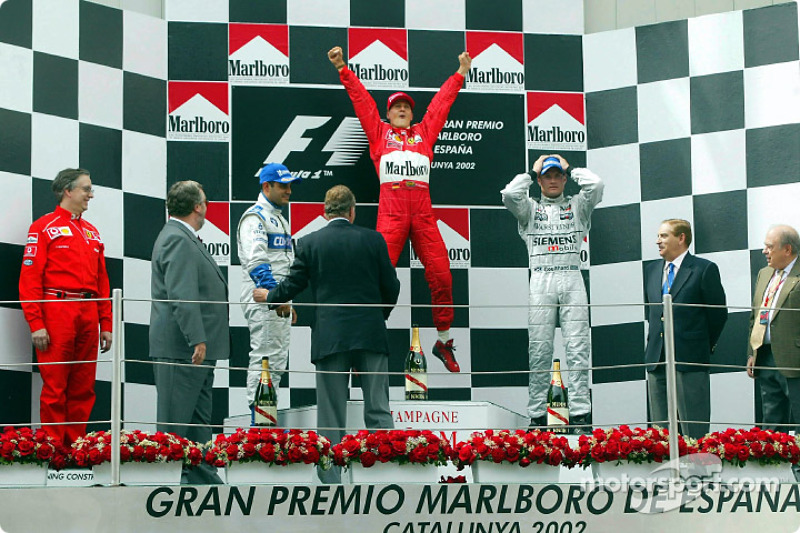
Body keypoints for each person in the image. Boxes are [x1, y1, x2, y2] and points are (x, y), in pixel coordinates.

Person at [327, 45, 471, 373]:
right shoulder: (379, 134)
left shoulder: (424, 133)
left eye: (407, 106)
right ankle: (365, 338)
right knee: (376, 278)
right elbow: (363, 102)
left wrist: (460, 74)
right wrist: (343, 70)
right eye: (397, 107)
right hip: (391, 214)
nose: (403, 109)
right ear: (389, 114)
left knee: (443, 277)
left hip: (422, 214)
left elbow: (440, 106)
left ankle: (443, 341)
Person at [261, 185, 400, 483]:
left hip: (330, 337)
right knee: (377, 409)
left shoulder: (310, 242)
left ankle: (331, 485)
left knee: (331, 416)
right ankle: (382, 477)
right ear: (352, 211)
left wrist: (271, 296)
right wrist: (378, 316)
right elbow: (392, 286)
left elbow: (294, 284)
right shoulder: (373, 239)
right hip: (370, 334)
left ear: (325, 212)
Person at [501, 155, 603, 432]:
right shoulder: (529, 209)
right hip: (541, 279)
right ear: (539, 181)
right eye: (548, 176)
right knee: (539, 349)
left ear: (565, 178)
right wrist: (530, 170)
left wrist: (570, 167)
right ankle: (537, 416)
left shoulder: (578, 205)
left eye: (558, 175)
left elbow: (596, 184)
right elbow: (510, 194)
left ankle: (581, 415)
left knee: (578, 348)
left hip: (572, 276)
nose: (554, 180)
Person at [19, 168, 112, 444]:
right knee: (56, 386)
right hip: (57, 309)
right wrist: (36, 323)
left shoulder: (92, 232)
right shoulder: (43, 227)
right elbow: (29, 279)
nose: (91, 195)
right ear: (67, 191)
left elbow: (102, 282)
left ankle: (77, 449)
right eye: (86, 189)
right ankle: (55, 452)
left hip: (88, 312)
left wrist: (105, 324)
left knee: (83, 387)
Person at [150, 180, 228, 484]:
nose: (206, 206)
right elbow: (182, 295)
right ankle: (170, 481)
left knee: (197, 421)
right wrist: (196, 337)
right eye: (205, 201)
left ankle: (202, 477)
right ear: (197, 206)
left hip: (196, 348)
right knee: (175, 421)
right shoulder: (176, 238)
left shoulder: (182, 236)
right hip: (183, 347)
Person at [644, 219, 727, 439]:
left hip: (690, 357)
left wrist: (700, 344)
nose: (657, 241)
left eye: (663, 236)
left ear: (681, 238)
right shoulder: (651, 270)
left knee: (694, 427)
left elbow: (718, 314)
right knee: (660, 432)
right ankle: (665, 470)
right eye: (658, 236)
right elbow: (652, 313)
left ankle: (697, 471)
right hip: (656, 358)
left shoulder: (704, 269)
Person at [237, 162, 301, 424]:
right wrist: (277, 299)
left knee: (275, 360)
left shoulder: (278, 217)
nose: (288, 191)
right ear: (266, 186)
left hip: (275, 301)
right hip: (265, 300)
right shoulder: (256, 217)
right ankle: (259, 427)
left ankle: (265, 423)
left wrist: (285, 299)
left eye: (289, 185)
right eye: (283, 185)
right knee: (264, 357)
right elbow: (257, 262)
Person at [747, 225, 800, 431]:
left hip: (794, 359)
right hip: (765, 356)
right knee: (771, 422)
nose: (764, 251)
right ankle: (773, 463)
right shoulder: (764, 273)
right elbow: (755, 315)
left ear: (787, 249)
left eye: (770, 247)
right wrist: (752, 352)